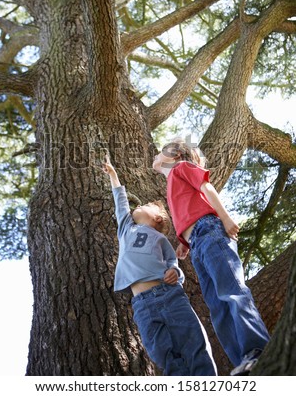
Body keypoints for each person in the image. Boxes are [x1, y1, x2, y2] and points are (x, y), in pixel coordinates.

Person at [152, 138, 270, 376]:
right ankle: (244, 362)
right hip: (197, 242)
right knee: (217, 307)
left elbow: (207, 188)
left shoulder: (182, 167)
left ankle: (258, 351)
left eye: (160, 152)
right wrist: (184, 243)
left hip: (211, 231)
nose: (155, 156)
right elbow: (188, 210)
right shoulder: (172, 181)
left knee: (233, 292)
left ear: (175, 154)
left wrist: (225, 218)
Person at [102, 155, 217, 376]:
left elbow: (172, 262)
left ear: (158, 219)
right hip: (142, 306)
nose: (140, 205)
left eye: (146, 205)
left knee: (194, 344)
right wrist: (114, 176)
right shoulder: (126, 229)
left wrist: (176, 272)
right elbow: (120, 204)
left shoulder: (161, 239)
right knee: (163, 355)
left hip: (169, 296)